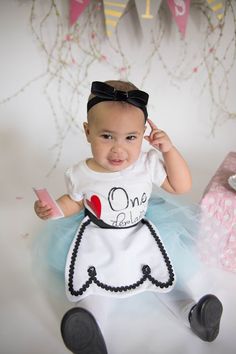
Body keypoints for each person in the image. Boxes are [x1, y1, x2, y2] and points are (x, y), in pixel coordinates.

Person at [34, 80, 223, 354]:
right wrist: (54, 209)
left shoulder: (147, 164)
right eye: (107, 136)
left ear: (143, 135)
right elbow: (75, 202)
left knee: (162, 277)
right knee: (97, 283)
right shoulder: (80, 173)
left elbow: (180, 186)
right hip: (99, 236)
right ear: (88, 132)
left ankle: (193, 314)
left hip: (140, 233)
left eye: (130, 137)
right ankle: (89, 325)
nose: (118, 149)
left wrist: (168, 151)